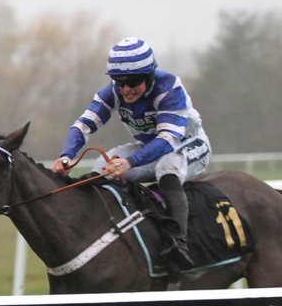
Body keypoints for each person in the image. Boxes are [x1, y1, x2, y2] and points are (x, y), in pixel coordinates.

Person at [51, 37, 210, 269]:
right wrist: (67, 154)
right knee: (101, 168)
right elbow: (84, 125)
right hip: (151, 148)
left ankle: (179, 244)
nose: (125, 89)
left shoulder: (169, 88)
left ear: (150, 76)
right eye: (119, 81)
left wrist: (130, 162)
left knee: (167, 166)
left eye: (133, 81)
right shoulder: (113, 92)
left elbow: (167, 140)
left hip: (188, 144)